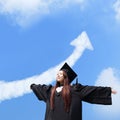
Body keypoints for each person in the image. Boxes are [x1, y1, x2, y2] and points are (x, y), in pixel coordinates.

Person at [30, 62, 116, 120]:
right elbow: (39, 88)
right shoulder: (50, 91)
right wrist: (32, 86)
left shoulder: (75, 90)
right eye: (57, 74)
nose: (58, 75)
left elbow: (91, 90)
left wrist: (108, 90)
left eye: (60, 74)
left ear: (66, 76)